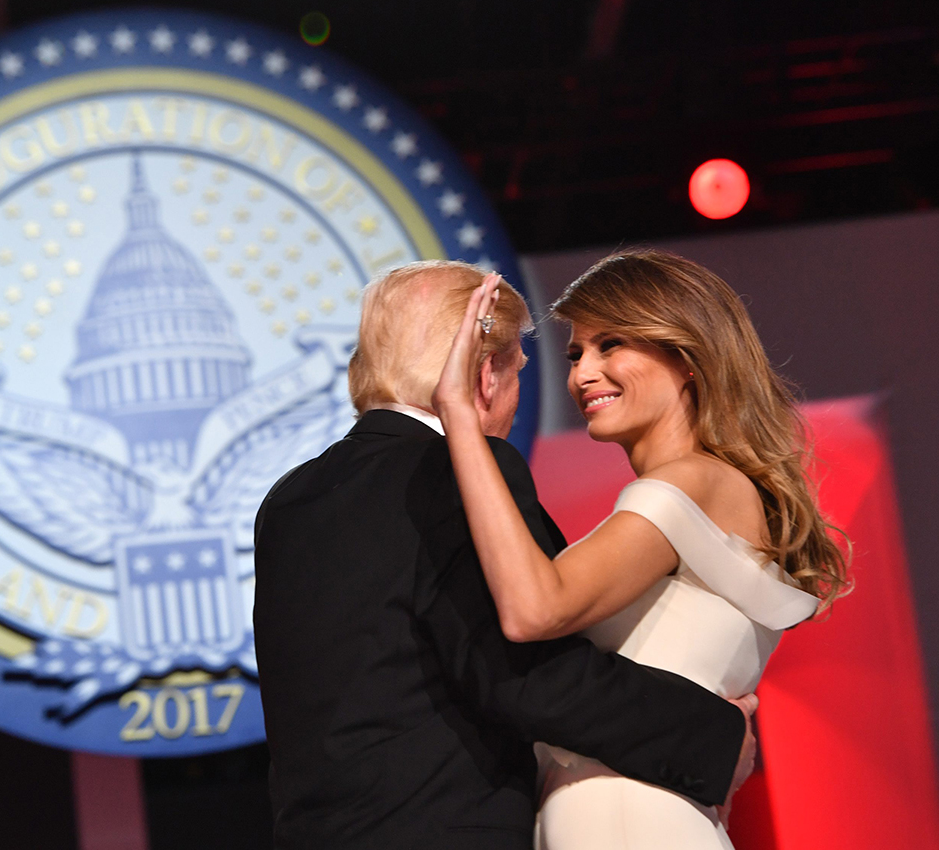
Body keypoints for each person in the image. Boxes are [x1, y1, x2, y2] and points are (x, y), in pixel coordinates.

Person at [253, 259, 758, 850]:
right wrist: (716, 735)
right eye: (519, 370)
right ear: (485, 374)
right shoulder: (459, 475)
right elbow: (526, 676)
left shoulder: (291, 497)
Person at [431, 250, 849, 849]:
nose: (582, 374)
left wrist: (460, 421)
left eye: (611, 345)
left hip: (627, 818)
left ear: (687, 357)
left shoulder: (685, 485)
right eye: (576, 353)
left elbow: (534, 608)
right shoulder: (713, 485)